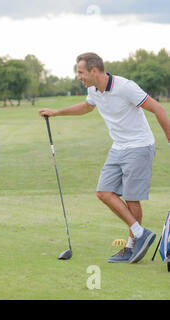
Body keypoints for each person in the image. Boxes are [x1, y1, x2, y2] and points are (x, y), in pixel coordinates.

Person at [38, 52, 170, 264]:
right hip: (118, 147)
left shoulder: (125, 87)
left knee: (131, 197)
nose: (78, 77)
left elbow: (158, 108)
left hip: (139, 146)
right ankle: (139, 233)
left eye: (81, 73)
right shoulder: (93, 90)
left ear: (94, 70)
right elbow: (87, 107)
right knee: (103, 192)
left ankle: (131, 246)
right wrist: (56, 112)